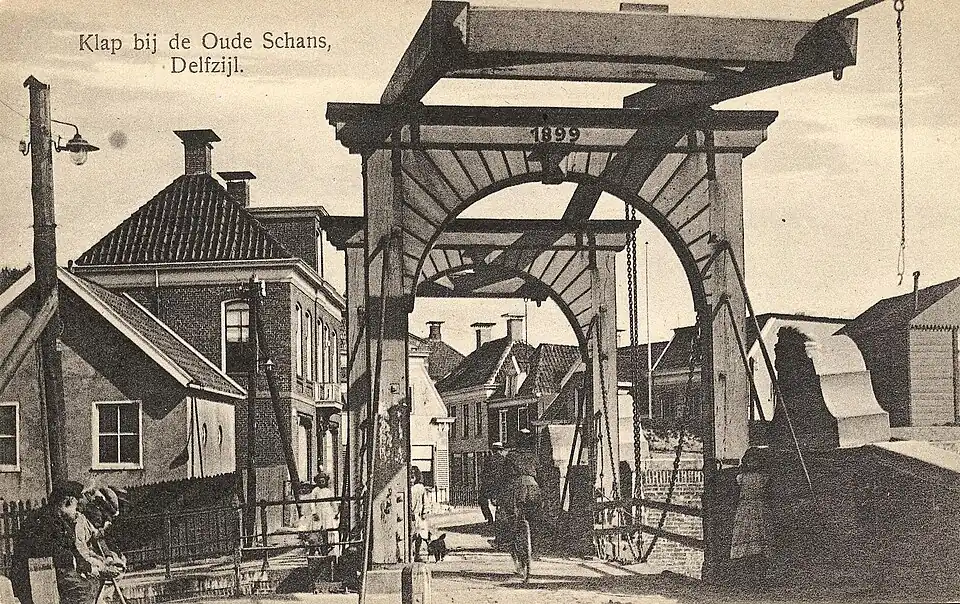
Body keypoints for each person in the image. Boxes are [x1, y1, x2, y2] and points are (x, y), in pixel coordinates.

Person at [10, 480, 95, 604]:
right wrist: (86, 566)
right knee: (83, 592)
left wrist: (89, 567)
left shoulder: (59, 519)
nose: (77, 511)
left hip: (46, 577)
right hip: (32, 581)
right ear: (69, 501)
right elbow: (55, 552)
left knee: (87, 586)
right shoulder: (42, 520)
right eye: (76, 506)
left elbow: (71, 548)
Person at [730, 446, 770, 589]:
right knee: (745, 539)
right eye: (750, 461)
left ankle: (759, 575)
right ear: (746, 462)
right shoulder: (741, 478)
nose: (753, 464)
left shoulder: (763, 478)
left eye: (756, 461)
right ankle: (745, 576)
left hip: (758, 509)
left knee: (758, 541)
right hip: (745, 511)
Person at [498, 429, 542, 550]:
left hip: (517, 487)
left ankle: (513, 538)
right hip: (534, 487)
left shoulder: (511, 456)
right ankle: (534, 541)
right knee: (535, 515)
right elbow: (540, 474)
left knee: (511, 514)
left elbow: (504, 475)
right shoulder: (534, 456)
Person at [478, 442, 508, 525]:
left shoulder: (489, 459)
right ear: (501, 450)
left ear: (493, 450)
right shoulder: (505, 459)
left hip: (490, 485)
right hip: (501, 485)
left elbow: (484, 473)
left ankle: (489, 518)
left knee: (482, 500)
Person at [409, 466, 431, 562]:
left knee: (420, 535)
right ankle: (410, 553)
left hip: (419, 515)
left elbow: (425, 501)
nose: (412, 478)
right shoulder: (407, 488)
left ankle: (417, 553)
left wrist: (425, 511)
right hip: (410, 515)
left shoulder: (420, 488)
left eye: (413, 475)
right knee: (411, 535)